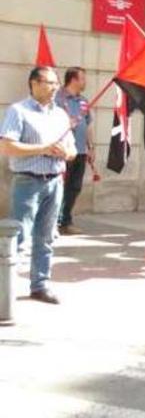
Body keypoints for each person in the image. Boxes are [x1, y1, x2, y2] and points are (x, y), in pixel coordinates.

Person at [0, 67, 76, 303]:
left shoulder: (60, 114)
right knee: (20, 238)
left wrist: (66, 152)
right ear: (33, 83)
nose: (55, 88)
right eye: (49, 83)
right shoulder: (18, 111)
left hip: (54, 182)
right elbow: (8, 146)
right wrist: (43, 148)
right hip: (27, 182)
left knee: (46, 237)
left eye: (56, 84)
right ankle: (6, 287)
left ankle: (40, 284)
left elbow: (72, 150)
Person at [55, 67, 94, 235]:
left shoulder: (84, 101)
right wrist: (65, 123)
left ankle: (66, 221)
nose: (85, 82)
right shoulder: (58, 99)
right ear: (73, 79)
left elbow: (88, 126)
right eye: (83, 78)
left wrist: (91, 147)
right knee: (59, 187)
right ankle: (53, 222)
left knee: (74, 187)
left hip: (80, 151)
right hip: (63, 151)